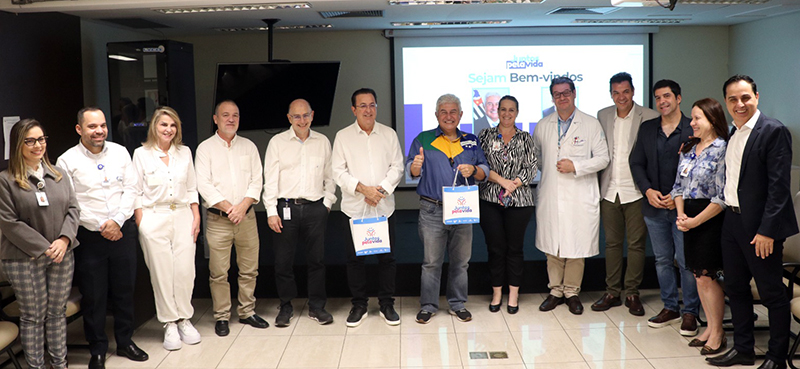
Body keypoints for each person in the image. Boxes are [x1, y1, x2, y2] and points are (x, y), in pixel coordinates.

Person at [706, 75, 797, 369]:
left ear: (756, 96)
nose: (739, 104)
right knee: (735, 287)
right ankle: (743, 349)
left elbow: (779, 187)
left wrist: (767, 231)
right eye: (732, 99)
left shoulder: (773, 131)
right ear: (726, 103)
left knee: (772, 292)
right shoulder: (734, 132)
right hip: (732, 222)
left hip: (761, 228)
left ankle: (776, 357)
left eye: (745, 97)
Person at [56, 108, 149, 369]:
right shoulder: (66, 161)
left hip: (122, 231)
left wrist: (117, 221)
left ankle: (125, 341)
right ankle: (97, 348)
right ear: (79, 129)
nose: (99, 131)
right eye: (92, 126)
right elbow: (70, 202)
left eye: (103, 126)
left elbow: (131, 189)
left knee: (124, 290)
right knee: (94, 296)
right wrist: (101, 226)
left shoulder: (120, 152)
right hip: (89, 237)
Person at [0, 119, 79, 369]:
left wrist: (64, 239)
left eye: (41, 139)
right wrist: (46, 247)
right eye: (30, 140)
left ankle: (59, 364)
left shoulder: (58, 174)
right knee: (34, 317)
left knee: (57, 314)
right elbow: (9, 222)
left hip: (62, 254)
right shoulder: (6, 180)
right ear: (17, 144)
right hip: (24, 258)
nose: (38, 145)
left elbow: (74, 209)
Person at [406, 93, 489, 324]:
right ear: (436, 115)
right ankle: (429, 305)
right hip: (432, 209)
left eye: (453, 112)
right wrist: (415, 166)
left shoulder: (471, 140)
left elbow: (484, 170)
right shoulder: (423, 139)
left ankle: (457, 303)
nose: (448, 116)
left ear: (461, 115)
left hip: (463, 209)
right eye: (443, 112)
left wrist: (473, 171)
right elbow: (411, 172)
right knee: (431, 262)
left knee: (461, 261)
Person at [533, 77, 609, 315]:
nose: (562, 98)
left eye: (566, 93)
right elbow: (536, 157)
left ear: (574, 94)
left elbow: (603, 158)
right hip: (551, 193)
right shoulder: (543, 124)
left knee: (576, 246)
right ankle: (555, 291)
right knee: (552, 245)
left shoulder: (590, 124)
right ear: (552, 97)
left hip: (579, 193)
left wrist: (575, 166)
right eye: (557, 94)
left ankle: (572, 292)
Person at [630, 79, 700, 336]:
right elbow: (636, 163)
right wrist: (647, 190)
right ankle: (670, 307)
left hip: (685, 209)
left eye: (667, 96)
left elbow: (699, 168)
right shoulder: (648, 129)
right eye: (658, 97)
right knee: (661, 260)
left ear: (679, 98)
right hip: (654, 207)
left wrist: (677, 195)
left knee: (685, 261)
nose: (662, 102)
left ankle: (691, 311)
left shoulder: (692, 128)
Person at [332, 88, 404, 327]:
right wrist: (364, 190)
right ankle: (359, 304)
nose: (368, 110)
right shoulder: (343, 136)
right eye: (362, 105)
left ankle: (386, 303)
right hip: (355, 208)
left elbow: (397, 167)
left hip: (383, 208)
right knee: (355, 261)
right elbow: (338, 172)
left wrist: (379, 191)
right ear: (354, 109)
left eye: (372, 105)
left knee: (387, 259)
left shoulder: (388, 134)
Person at [195, 100, 267, 336]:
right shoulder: (205, 148)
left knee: (249, 269)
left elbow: (258, 180)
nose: (231, 119)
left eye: (235, 115)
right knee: (219, 272)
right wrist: (229, 208)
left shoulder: (249, 146)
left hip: (246, 218)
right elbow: (204, 185)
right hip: (218, 221)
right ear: (215, 119)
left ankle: (247, 312)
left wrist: (243, 206)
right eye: (225, 115)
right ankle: (222, 316)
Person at [132, 106, 202, 350]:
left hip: (183, 215)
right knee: (162, 273)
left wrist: (196, 216)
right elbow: (136, 191)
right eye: (164, 125)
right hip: (154, 216)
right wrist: (142, 223)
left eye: (173, 125)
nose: (168, 129)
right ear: (155, 127)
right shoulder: (141, 154)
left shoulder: (185, 153)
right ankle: (169, 323)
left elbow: (192, 188)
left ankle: (184, 318)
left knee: (184, 271)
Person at [263, 99, 337, 327]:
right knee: (284, 262)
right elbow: (270, 179)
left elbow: (330, 176)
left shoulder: (322, 141)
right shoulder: (277, 142)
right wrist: (270, 211)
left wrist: (327, 203)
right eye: (297, 116)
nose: (302, 120)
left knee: (317, 261)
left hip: (315, 208)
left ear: (312, 115)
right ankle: (286, 306)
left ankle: (317, 307)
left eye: (306, 115)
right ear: (289, 118)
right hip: (285, 208)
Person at [592, 72, 659, 316]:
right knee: (611, 244)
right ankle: (612, 292)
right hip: (609, 190)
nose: (621, 97)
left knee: (636, 244)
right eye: (616, 92)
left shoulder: (650, 116)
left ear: (633, 92)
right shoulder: (603, 115)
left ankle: (632, 293)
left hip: (637, 191)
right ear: (611, 94)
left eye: (625, 91)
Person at [670, 98, 729, 356]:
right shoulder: (689, 149)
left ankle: (718, 332)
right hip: (688, 218)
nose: (691, 123)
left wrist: (695, 221)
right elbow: (678, 187)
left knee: (707, 276)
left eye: (697, 119)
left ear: (712, 120)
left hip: (710, 218)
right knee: (697, 276)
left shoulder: (722, 149)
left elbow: (722, 196)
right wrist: (682, 216)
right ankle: (709, 328)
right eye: (692, 118)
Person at [477, 95, 538, 314]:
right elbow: (480, 164)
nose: (506, 113)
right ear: (497, 111)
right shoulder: (485, 135)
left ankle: (513, 294)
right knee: (495, 249)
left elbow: (532, 167)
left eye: (511, 110)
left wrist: (514, 184)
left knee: (514, 249)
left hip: (520, 201)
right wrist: (502, 181)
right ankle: (496, 293)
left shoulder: (526, 138)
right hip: (490, 199)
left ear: (517, 112)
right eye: (503, 109)